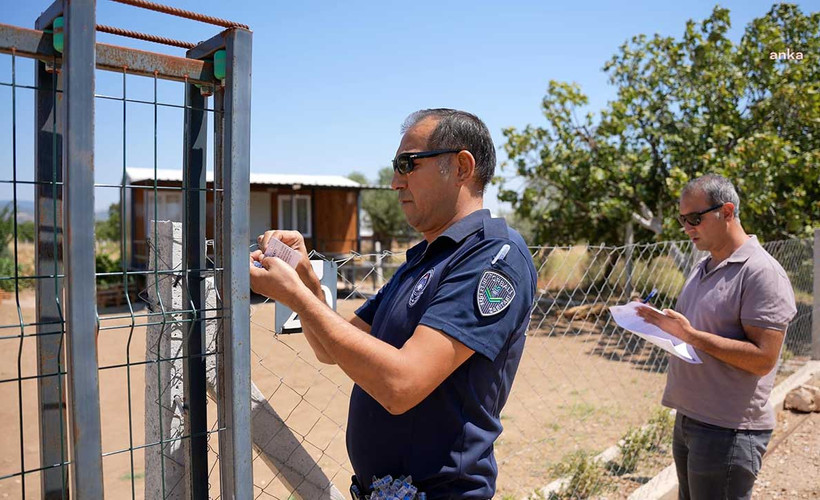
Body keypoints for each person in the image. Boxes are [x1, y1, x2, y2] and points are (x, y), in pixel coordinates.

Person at [249, 109, 536, 499]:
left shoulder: (494, 256)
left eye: (407, 164)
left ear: (461, 166)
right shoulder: (423, 260)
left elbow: (401, 385)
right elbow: (330, 348)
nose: (394, 182)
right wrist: (306, 281)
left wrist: (295, 297)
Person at [636, 174, 797, 500]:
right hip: (690, 420)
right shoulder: (703, 266)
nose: (687, 228)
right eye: (682, 220)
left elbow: (763, 359)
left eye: (694, 218)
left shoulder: (762, 273)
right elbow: (694, 333)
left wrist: (693, 336)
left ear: (726, 211)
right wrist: (658, 326)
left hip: (729, 430)